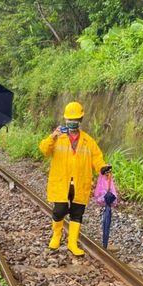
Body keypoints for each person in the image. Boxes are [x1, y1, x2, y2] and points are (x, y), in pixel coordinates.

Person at [38, 101, 112, 256]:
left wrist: (102, 167)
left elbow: (97, 158)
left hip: (80, 182)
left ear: (81, 120)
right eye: (69, 120)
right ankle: (56, 236)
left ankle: (72, 243)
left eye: (76, 120)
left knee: (77, 212)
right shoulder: (58, 137)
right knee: (59, 210)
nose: (72, 123)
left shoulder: (87, 141)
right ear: (65, 120)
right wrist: (52, 137)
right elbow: (44, 150)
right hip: (62, 181)